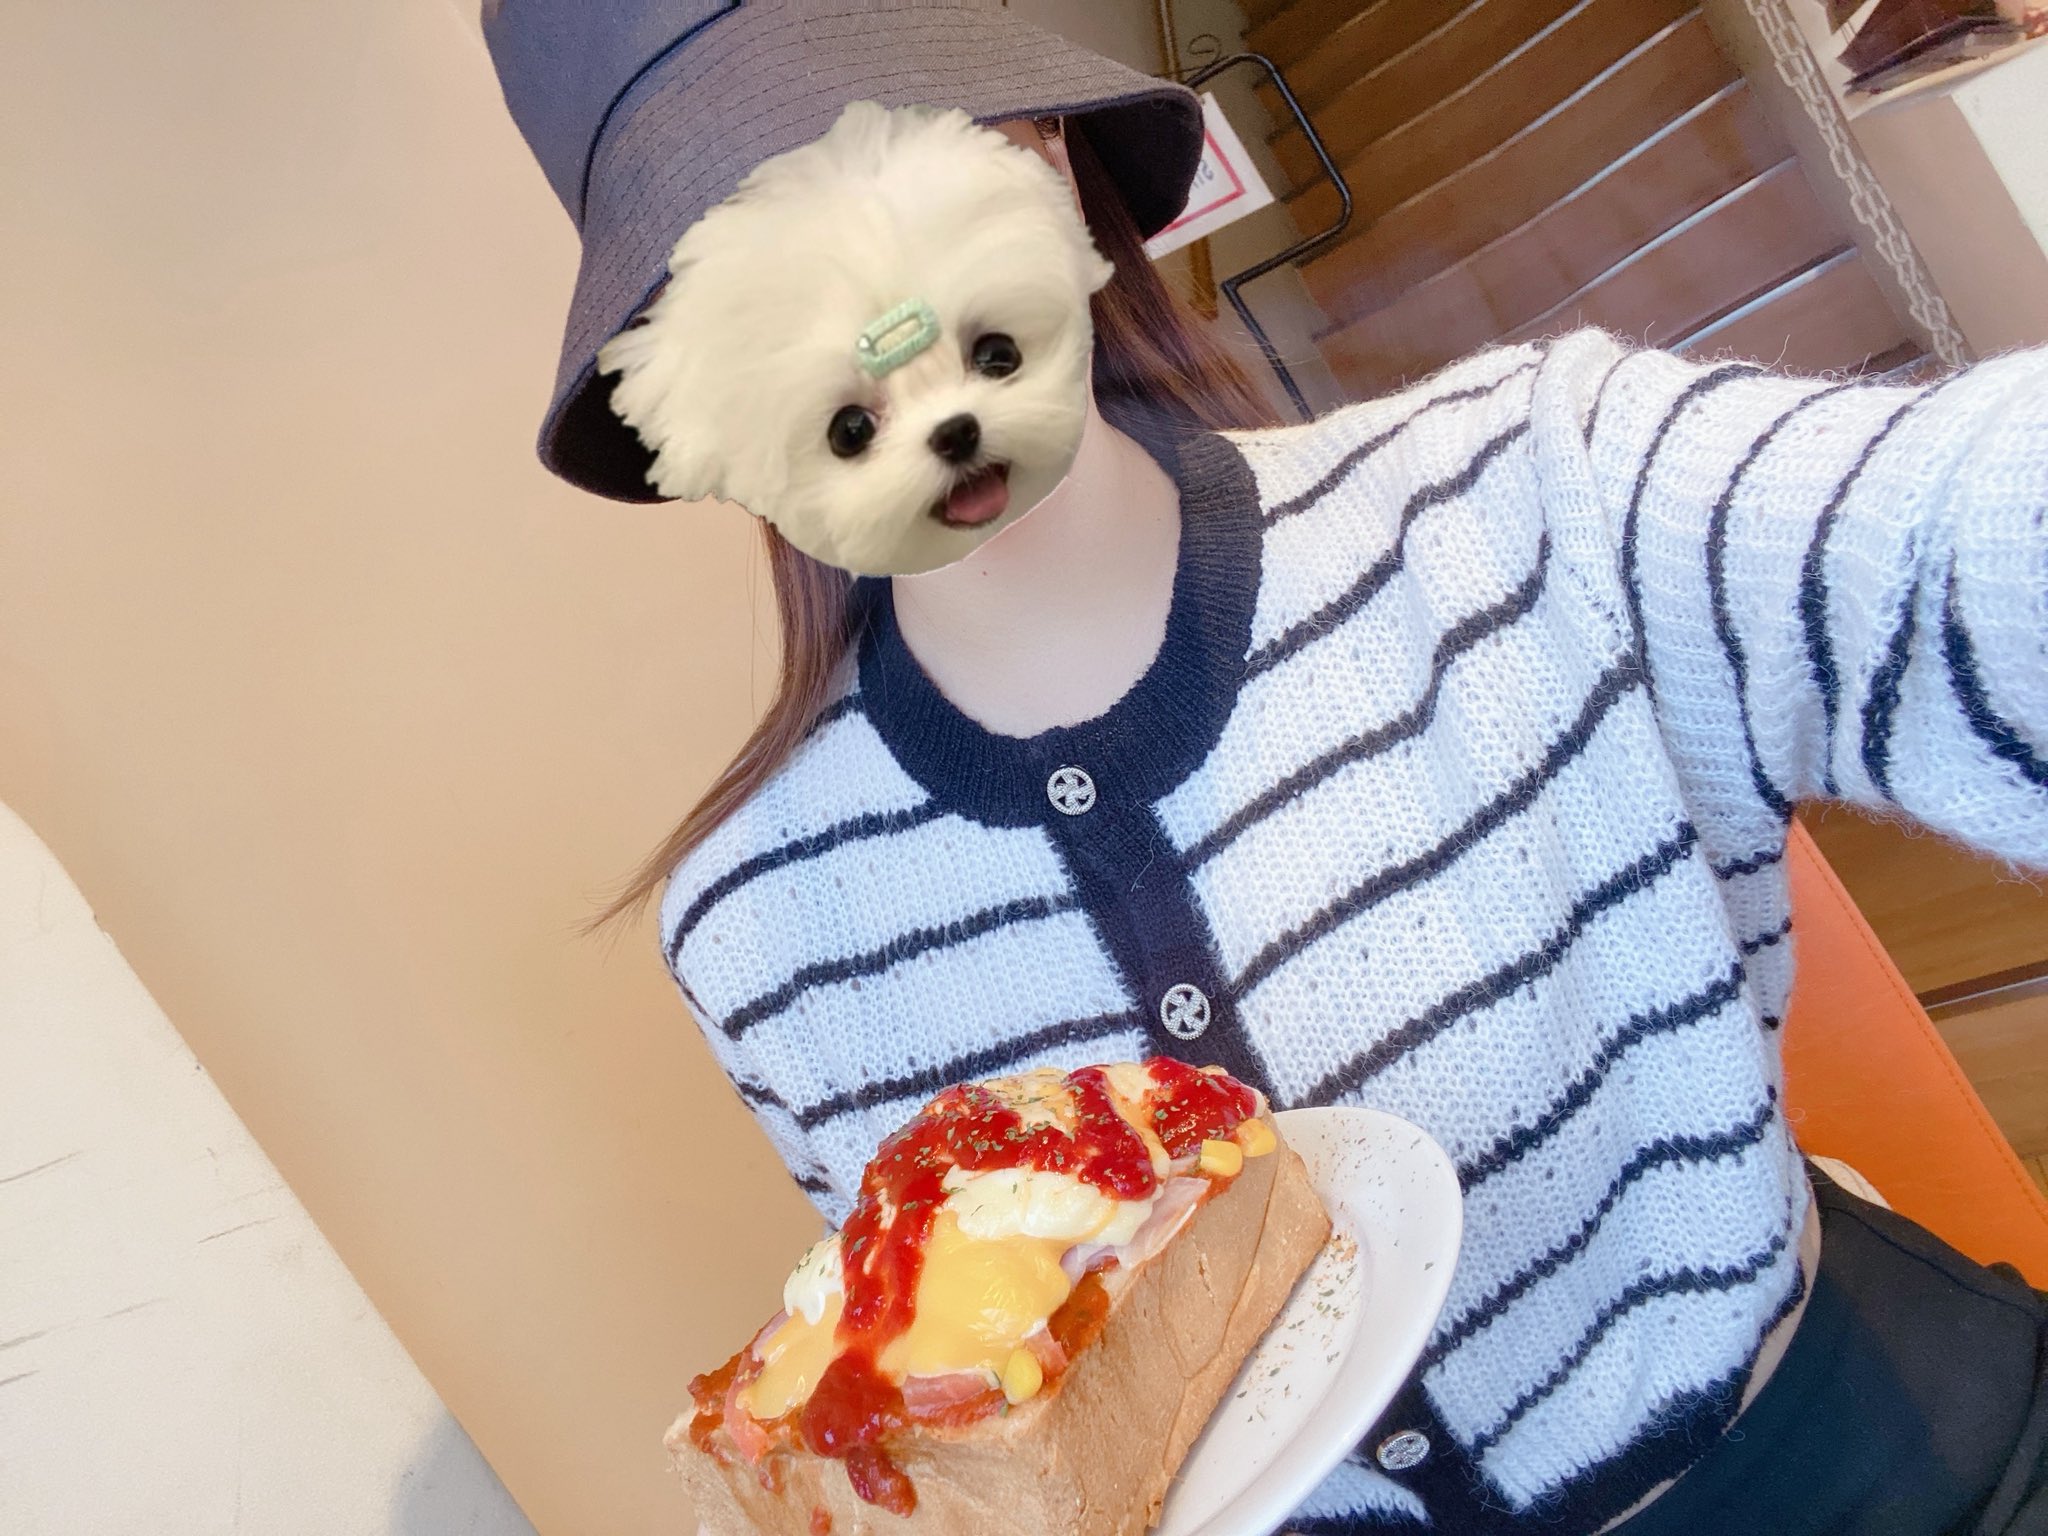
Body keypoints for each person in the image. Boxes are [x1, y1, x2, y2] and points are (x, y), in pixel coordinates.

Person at [482, 2, 2048, 1530]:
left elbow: (1950, 541)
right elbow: (1000, 1414)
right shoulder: (756, 937)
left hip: (1895, 1456)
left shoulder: (1545, 486)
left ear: (1038, 160)